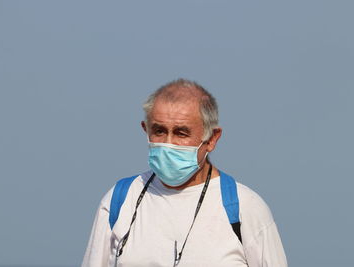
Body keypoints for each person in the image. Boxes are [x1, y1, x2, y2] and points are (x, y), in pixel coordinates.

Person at [81, 79, 287, 267]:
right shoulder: (120, 199)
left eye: (181, 133)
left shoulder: (244, 207)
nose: (169, 144)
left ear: (212, 139)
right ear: (146, 130)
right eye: (159, 131)